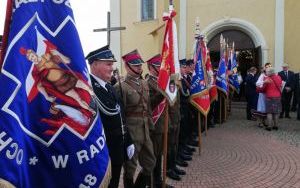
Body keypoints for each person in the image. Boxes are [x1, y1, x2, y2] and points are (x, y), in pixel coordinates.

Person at [86, 45, 134, 188]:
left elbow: (121, 117)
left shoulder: (110, 87)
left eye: (112, 64)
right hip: (102, 152)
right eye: (108, 64)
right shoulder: (87, 89)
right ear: (94, 65)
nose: (112, 68)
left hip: (117, 148)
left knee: (113, 182)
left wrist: (128, 140)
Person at [114, 49, 156, 188]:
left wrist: (150, 125)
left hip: (145, 130)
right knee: (130, 168)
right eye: (136, 65)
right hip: (132, 131)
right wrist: (125, 136)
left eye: (140, 65)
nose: (139, 67)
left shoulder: (144, 83)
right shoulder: (121, 87)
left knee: (150, 162)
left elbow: (148, 107)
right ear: (127, 66)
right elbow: (121, 115)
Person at [146, 54, 174, 188]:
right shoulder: (148, 83)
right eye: (158, 66)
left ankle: (159, 181)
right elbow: (150, 104)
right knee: (155, 157)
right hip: (156, 126)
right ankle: (154, 183)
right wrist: (162, 91)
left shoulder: (161, 81)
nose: (160, 69)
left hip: (164, 124)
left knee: (161, 155)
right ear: (150, 67)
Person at [255, 63, 272, 127]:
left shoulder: (272, 75)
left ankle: (264, 121)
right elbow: (257, 83)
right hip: (262, 94)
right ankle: (260, 122)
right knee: (261, 108)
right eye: (267, 67)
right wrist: (264, 82)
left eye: (270, 66)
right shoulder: (262, 75)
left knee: (266, 109)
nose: (268, 68)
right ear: (265, 68)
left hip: (269, 94)